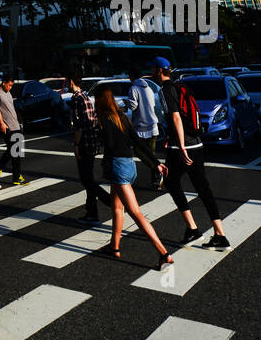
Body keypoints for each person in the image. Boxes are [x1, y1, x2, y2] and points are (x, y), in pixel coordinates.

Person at [149, 58, 230, 249]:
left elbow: (176, 118)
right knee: (203, 188)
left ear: (160, 71)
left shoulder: (166, 90)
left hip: (180, 148)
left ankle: (193, 229)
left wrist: (182, 146)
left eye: (153, 68)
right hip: (197, 144)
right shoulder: (180, 87)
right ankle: (220, 234)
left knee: (171, 181)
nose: (151, 71)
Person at [94, 89, 173, 266]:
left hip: (118, 167)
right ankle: (114, 246)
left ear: (100, 101)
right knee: (116, 207)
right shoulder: (122, 117)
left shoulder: (105, 119)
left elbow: (110, 146)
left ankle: (163, 253)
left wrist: (105, 162)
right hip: (129, 164)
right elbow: (137, 141)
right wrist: (156, 162)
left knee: (136, 213)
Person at [65, 70, 113, 222]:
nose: (67, 85)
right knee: (89, 178)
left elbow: (78, 125)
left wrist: (76, 145)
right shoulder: (85, 97)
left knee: (87, 180)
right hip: (92, 142)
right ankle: (92, 213)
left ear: (71, 82)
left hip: (84, 143)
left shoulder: (76, 99)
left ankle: (109, 202)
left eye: (68, 82)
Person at [129, 69, 163, 190]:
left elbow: (133, 106)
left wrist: (126, 102)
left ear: (132, 76)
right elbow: (152, 105)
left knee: (138, 151)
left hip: (141, 127)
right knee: (151, 154)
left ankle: (157, 169)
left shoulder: (134, 88)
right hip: (153, 126)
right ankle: (156, 181)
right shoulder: (148, 88)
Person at [0, 74, 27, 184]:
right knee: (12, 150)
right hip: (7, 126)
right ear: (4, 82)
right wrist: (1, 123)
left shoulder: (8, 93)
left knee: (17, 153)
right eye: (9, 85)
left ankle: (16, 177)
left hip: (16, 124)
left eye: (12, 85)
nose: (10, 87)